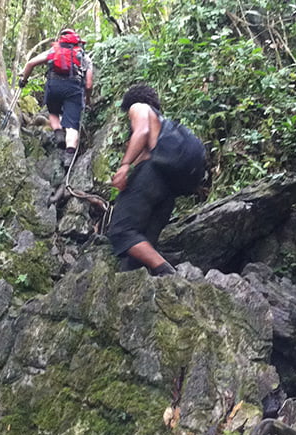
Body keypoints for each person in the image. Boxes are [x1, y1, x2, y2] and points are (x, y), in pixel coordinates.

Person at [107, 84, 204, 277]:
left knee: (121, 230)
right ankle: (143, 279)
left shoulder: (139, 107)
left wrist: (125, 166)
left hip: (152, 177)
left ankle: (167, 272)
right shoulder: (162, 126)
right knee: (144, 239)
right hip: (170, 187)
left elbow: (141, 132)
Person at [20, 29, 93, 167]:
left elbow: (30, 64)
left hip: (54, 86)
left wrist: (23, 81)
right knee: (72, 126)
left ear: (61, 38)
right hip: (74, 89)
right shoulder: (83, 56)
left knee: (53, 112)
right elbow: (89, 84)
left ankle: (59, 134)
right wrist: (87, 99)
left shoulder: (53, 51)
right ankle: (69, 156)